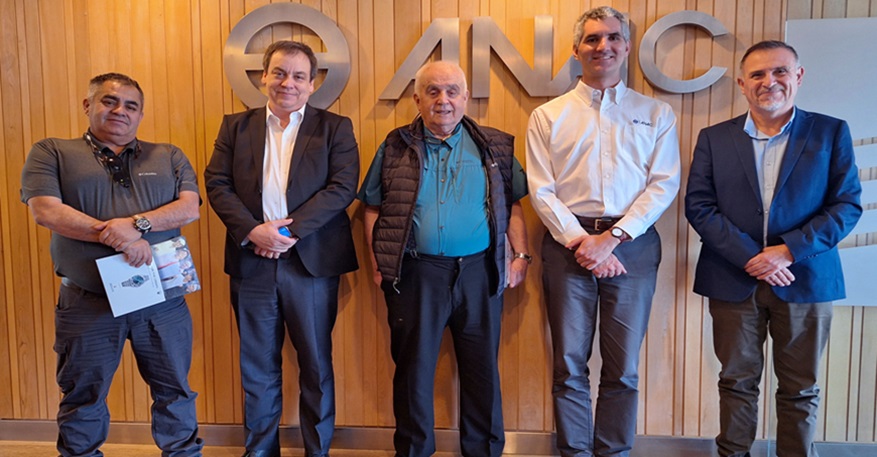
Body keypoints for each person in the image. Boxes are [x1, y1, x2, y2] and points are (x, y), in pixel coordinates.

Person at [685, 40, 862, 457]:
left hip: (806, 277)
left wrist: (786, 252)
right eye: (758, 74)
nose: (770, 81)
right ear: (742, 84)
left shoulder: (830, 132)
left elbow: (846, 205)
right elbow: (699, 206)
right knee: (736, 382)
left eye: (780, 71)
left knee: (800, 387)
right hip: (732, 278)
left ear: (798, 76)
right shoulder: (714, 138)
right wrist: (752, 257)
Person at [20, 72, 203, 456]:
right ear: (88, 105)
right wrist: (117, 237)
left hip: (163, 301)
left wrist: (137, 226)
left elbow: (189, 208)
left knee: (175, 393)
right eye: (109, 101)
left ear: (140, 115)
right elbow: (46, 210)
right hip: (87, 302)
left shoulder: (168, 155)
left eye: (131, 106)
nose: (121, 110)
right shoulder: (52, 152)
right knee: (83, 396)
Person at [525, 6, 681, 456]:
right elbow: (541, 189)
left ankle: (613, 452)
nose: (603, 46)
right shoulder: (548, 116)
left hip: (633, 247)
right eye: (592, 39)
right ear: (576, 50)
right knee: (568, 365)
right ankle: (575, 452)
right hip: (566, 247)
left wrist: (612, 240)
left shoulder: (656, 113)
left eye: (613, 38)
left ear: (627, 47)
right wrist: (582, 242)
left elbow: (664, 183)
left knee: (623, 368)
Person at [358, 61, 530, 457]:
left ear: (466, 97)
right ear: (417, 99)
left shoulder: (495, 145)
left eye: (452, 91)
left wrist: (520, 256)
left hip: (480, 272)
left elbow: (513, 204)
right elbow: (372, 207)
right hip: (416, 273)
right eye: (433, 91)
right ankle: (414, 451)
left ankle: (483, 451)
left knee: (482, 370)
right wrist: (378, 263)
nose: (443, 100)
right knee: (413, 372)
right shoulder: (394, 146)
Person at [204, 40, 359, 457]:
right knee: (257, 367)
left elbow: (342, 187)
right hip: (251, 261)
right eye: (279, 73)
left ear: (312, 84)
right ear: (263, 77)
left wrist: (287, 234)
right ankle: (260, 451)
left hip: (309, 264)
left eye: (298, 76)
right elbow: (217, 183)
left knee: (316, 366)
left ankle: (317, 451)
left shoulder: (335, 128)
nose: (287, 82)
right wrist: (253, 231)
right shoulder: (235, 127)